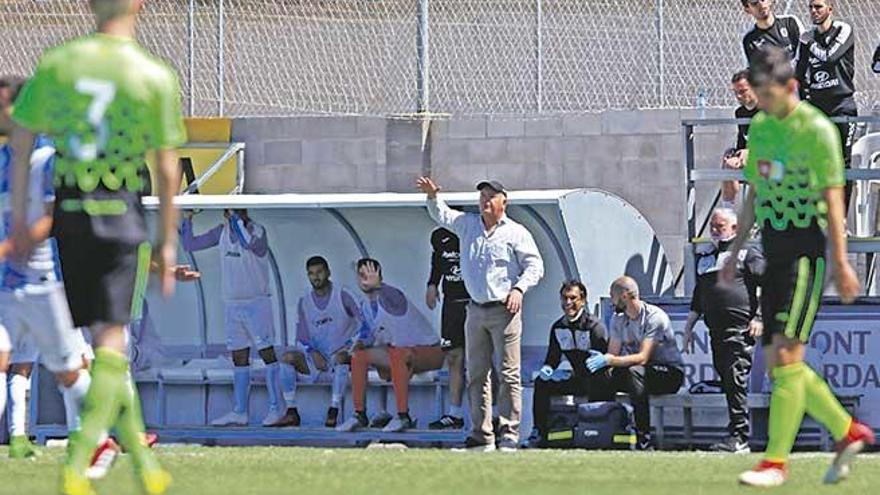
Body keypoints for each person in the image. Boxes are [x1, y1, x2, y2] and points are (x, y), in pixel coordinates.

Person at [8, 1, 186, 492]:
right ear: (140, 5)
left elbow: (21, 142)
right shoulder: (153, 74)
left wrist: (23, 220)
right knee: (111, 344)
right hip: (122, 214)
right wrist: (167, 242)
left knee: (106, 345)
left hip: (71, 217)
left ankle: (145, 467)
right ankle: (83, 454)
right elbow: (168, 169)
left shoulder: (58, 64)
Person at [728, 46, 875, 487]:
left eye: (770, 96)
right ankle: (849, 431)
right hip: (772, 250)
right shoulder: (760, 128)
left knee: (789, 357)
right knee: (779, 366)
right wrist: (735, 250)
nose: (765, 106)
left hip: (806, 254)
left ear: (791, 87)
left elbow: (834, 200)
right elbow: (754, 193)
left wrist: (843, 262)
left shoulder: (817, 130)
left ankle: (775, 463)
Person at [418, 177, 544, 452]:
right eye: (482, 195)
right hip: (474, 311)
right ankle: (481, 433)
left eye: (491, 196)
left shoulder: (516, 232)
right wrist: (432, 196)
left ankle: (509, 432)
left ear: (504, 202)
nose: (485, 200)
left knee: (508, 373)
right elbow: (443, 216)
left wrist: (519, 289)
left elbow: (535, 266)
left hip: (505, 310)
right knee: (476, 374)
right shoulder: (468, 224)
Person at [181, 209, 286, 428]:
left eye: (238, 208)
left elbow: (248, 244)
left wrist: (236, 219)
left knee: (267, 354)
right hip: (232, 304)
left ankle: (278, 409)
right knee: (239, 357)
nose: (235, 212)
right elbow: (190, 245)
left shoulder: (257, 231)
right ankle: (240, 412)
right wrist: (187, 219)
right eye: (230, 208)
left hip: (257, 303)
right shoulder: (221, 231)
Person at [683, 208, 765, 453]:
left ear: (735, 229)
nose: (715, 230)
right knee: (728, 381)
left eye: (721, 226)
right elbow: (700, 297)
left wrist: (760, 317)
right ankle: (735, 431)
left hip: (739, 330)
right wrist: (688, 327)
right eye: (713, 226)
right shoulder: (706, 258)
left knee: (735, 378)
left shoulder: (746, 255)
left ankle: (740, 436)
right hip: (716, 332)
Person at [336, 258, 445, 433]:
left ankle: (403, 416)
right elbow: (367, 334)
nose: (365, 278)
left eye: (370, 274)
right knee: (359, 356)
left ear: (379, 276)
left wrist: (379, 286)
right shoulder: (364, 306)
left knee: (397, 353)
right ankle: (359, 415)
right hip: (403, 355)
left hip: (430, 351)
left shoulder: (392, 295)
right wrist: (355, 345)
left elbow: (391, 298)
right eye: (361, 275)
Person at [586, 276, 685, 450]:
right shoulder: (618, 319)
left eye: (613, 296)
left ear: (624, 296)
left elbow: (643, 357)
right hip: (637, 372)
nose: (611, 301)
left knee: (635, 372)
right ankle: (601, 431)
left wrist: (609, 359)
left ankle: (643, 440)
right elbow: (613, 354)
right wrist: (603, 361)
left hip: (668, 374)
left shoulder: (655, 317)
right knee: (602, 374)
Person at [525, 280, 611, 447]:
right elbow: (553, 359)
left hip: (598, 381)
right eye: (564, 298)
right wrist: (547, 369)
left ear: (583, 300)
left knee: (597, 380)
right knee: (541, 383)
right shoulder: (558, 327)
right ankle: (539, 433)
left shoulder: (595, 326)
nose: (568, 303)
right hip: (578, 379)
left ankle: (592, 433)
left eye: (573, 298)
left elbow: (606, 359)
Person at [280, 256, 361, 428]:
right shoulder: (304, 301)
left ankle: (334, 409)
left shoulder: (343, 294)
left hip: (341, 354)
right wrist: (311, 352)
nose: (316, 277)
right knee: (287, 358)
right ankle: (291, 411)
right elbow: (300, 338)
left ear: (328, 272)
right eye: (311, 273)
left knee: (341, 358)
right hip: (317, 359)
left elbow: (365, 323)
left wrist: (351, 344)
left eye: (319, 272)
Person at [796, 0, 857, 211]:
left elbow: (829, 57)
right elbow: (799, 74)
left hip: (842, 106)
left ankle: (841, 217)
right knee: (816, 162)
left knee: (843, 162)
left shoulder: (843, 29)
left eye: (818, 6)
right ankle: (820, 216)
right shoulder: (806, 39)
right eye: (811, 7)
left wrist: (809, 42)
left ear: (830, 8)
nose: (814, 11)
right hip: (817, 108)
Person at [425, 227, 470, 430]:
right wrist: (432, 284)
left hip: (474, 302)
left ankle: (494, 414)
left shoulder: (472, 228)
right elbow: (437, 261)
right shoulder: (438, 235)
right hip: (451, 304)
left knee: (481, 360)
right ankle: (455, 414)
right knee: (453, 358)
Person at [721, 70, 760, 208]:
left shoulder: (768, 110)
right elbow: (742, 141)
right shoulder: (740, 113)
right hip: (750, 160)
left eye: (743, 91)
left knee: (733, 164)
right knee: (728, 163)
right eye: (736, 92)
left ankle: (758, 213)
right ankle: (728, 210)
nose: (738, 96)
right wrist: (736, 152)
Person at [741, 0, 805, 65]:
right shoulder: (749, 39)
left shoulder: (791, 22)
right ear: (747, 9)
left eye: (763, 0)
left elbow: (807, 52)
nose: (761, 5)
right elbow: (752, 70)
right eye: (754, 3)